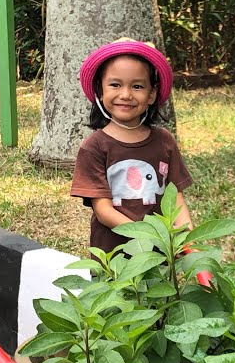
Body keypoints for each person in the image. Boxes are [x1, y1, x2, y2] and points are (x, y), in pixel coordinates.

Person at [70, 38, 195, 254]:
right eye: (115, 85)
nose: (126, 95)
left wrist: (188, 242)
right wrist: (149, 236)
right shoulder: (94, 147)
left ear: (152, 94)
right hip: (114, 257)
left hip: (162, 256)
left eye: (137, 86)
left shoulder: (164, 141)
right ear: (100, 90)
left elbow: (176, 199)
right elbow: (103, 210)